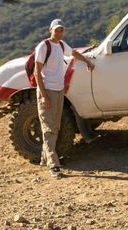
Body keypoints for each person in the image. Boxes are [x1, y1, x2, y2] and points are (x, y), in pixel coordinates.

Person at [34, 19, 94, 178]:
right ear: (50, 30)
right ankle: (53, 165)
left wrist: (87, 61)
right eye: (57, 30)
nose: (59, 33)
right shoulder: (43, 46)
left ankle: (44, 159)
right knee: (49, 127)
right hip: (47, 90)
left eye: (61, 30)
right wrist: (44, 95)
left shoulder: (61, 45)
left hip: (59, 90)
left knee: (56, 124)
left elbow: (73, 53)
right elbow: (36, 72)